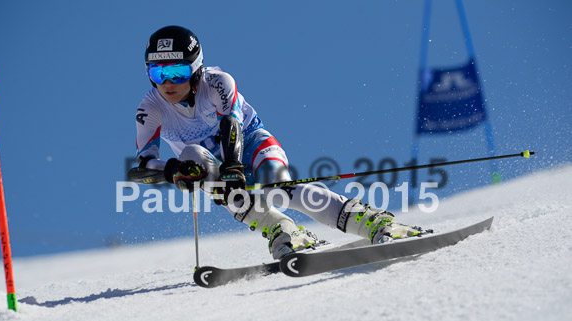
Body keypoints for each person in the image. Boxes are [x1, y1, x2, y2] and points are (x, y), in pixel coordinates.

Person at [131, 25, 429, 259]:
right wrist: (173, 171)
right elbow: (142, 167)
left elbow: (231, 124)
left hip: (249, 143)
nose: (167, 83)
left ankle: (375, 222)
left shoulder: (219, 83)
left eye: (177, 72)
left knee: (278, 189)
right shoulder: (151, 108)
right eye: (158, 73)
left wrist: (235, 168)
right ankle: (282, 229)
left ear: (196, 68)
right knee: (198, 162)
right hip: (213, 166)